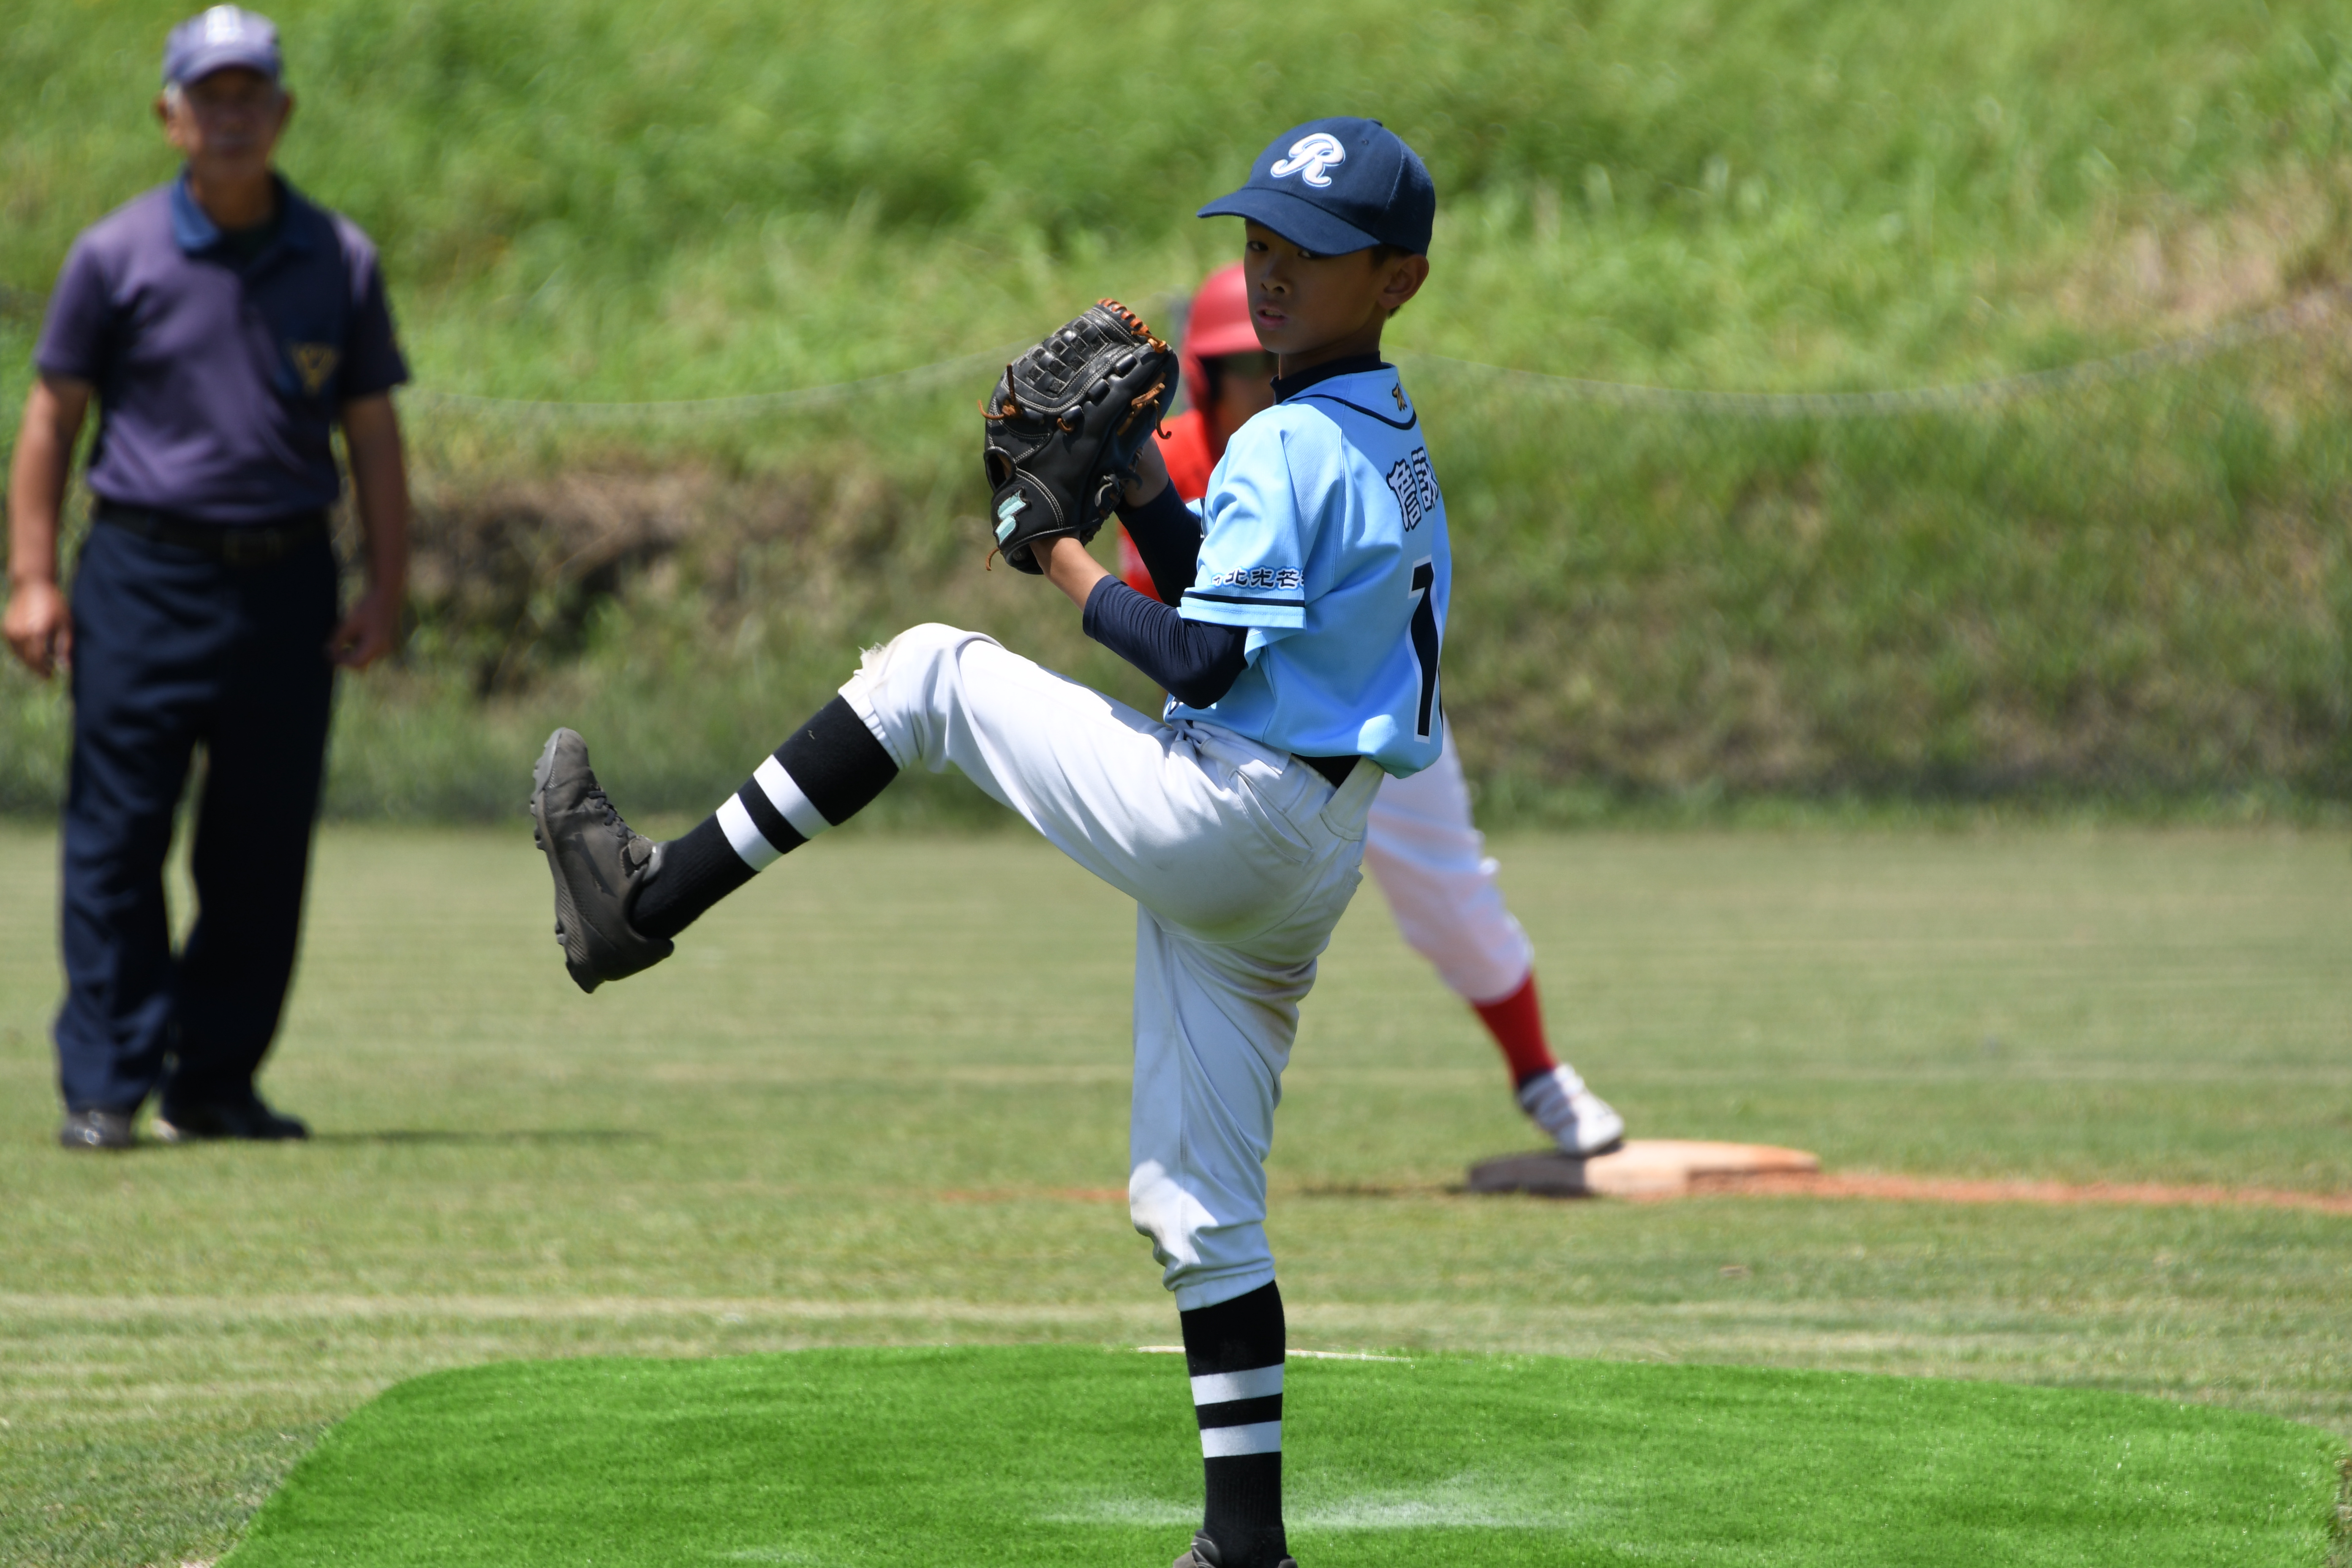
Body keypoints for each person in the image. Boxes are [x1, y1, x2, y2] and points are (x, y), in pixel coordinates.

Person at [532, 117, 1444, 1568]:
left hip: (1231, 810)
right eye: (1261, 242)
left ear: (1396, 279)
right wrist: (1140, 489)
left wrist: (1055, 549)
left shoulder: (1283, 438)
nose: (1273, 273)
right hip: (1306, 846)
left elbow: (1201, 663)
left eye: (1315, 254)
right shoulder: (1382, 436)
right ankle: (1244, 1547)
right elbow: (1235, 624)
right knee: (1198, 1211)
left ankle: (642, 901)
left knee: (924, 677)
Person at [3, 5, 411, 1152]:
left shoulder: (337, 257)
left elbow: (374, 433)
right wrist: (32, 578)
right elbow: (52, 418)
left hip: (285, 580)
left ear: (282, 112)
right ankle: (105, 1085)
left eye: (251, 96)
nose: (232, 116)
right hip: (142, 573)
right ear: (170, 116)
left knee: (259, 845)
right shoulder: (115, 254)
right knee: (117, 838)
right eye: (209, 97)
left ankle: (217, 1082)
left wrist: (386, 584)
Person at [1124, 264, 1625, 1159]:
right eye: (1244, 366)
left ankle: (1539, 1070)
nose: (1267, 376)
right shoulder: (1178, 456)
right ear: (1203, 377)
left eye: (1272, 358)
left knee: (1453, 896)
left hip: (1375, 711)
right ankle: (1201, 1155)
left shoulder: (1336, 435)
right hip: (1254, 735)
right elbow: (1179, 616)